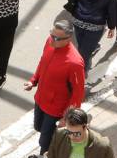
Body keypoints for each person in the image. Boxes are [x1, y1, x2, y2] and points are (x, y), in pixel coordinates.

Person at [27, 18, 87, 149]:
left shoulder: (75, 62)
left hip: (56, 109)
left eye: (57, 38)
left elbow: (78, 94)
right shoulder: (50, 42)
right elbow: (42, 62)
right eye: (52, 35)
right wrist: (33, 80)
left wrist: (67, 118)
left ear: (69, 39)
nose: (53, 39)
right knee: (38, 127)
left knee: (44, 142)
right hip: (40, 99)